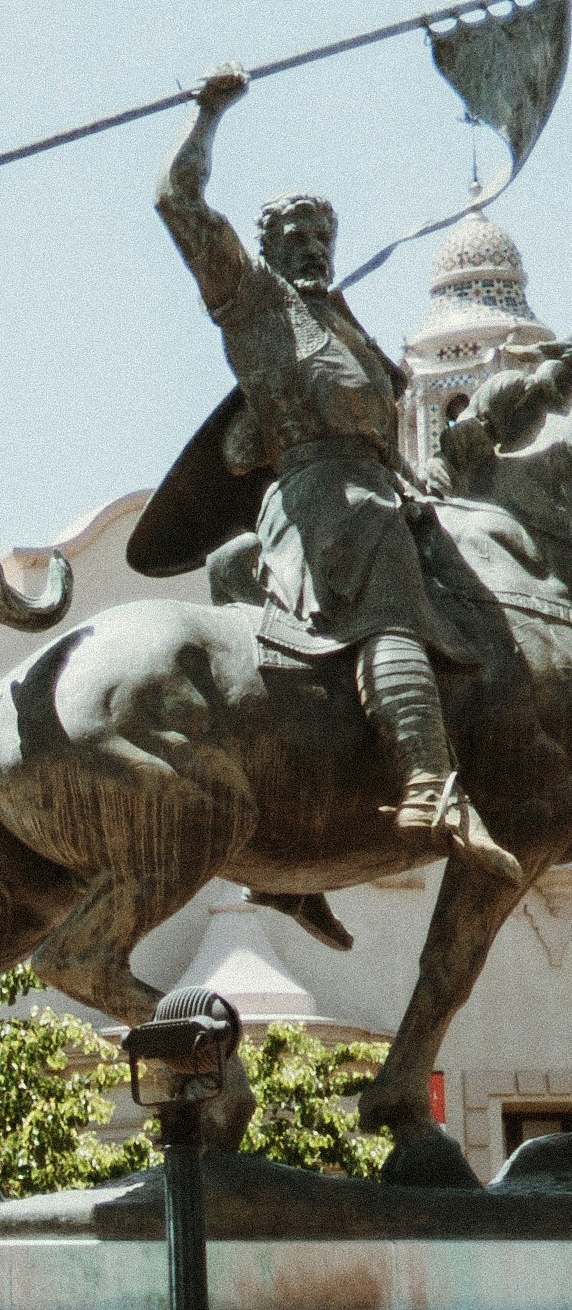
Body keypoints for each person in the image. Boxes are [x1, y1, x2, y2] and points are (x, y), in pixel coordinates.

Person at [156, 64, 517, 877]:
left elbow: (377, 432)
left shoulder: (345, 329)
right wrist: (208, 114)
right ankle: (428, 781)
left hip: (377, 485)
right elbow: (176, 203)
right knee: (384, 584)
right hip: (326, 502)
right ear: (267, 252)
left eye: (322, 239)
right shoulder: (253, 304)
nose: (313, 250)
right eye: (296, 240)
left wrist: (414, 479)